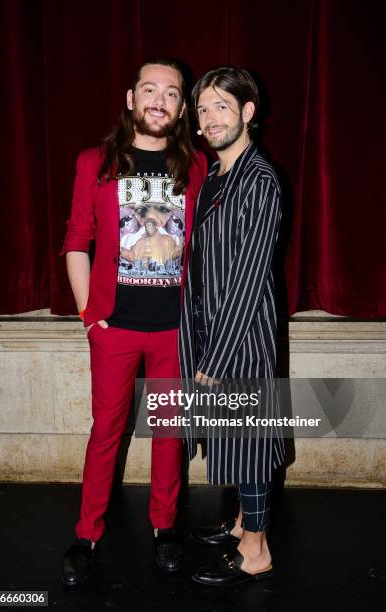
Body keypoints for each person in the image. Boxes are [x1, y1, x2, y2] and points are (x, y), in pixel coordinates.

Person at [60, 58, 207, 585]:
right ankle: (87, 534)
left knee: (169, 431)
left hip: (175, 330)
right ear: (130, 98)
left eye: (171, 93)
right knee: (107, 432)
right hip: (114, 328)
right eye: (149, 89)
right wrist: (88, 316)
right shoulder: (94, 162)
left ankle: (165, 528)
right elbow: (77, 242)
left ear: (182, 107)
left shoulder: (196, 168)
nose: (158, 100)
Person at [179, 66, 285, 586]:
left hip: (239, 339)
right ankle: (245, 524)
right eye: (203, 108)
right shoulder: (219, 174)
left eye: (223, 105)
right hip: (214, 330)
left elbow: (247, 278)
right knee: (234, 437)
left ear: (248, 113)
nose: (210, 117)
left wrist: (214, 360)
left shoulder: (259, 180)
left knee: (247, 440)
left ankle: (257, 552)